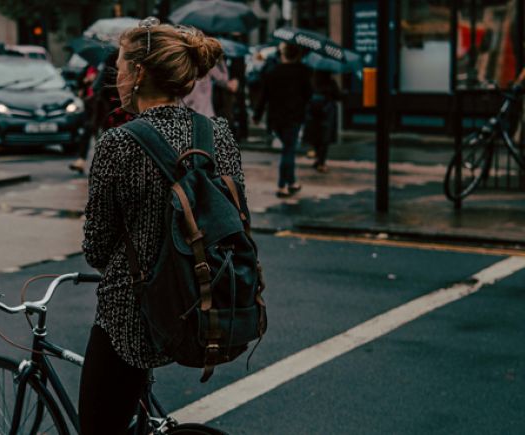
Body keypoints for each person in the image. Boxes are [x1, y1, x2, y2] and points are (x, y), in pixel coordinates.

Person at [80, 18, 245, 435]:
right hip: (202, 304)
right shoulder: (218, 134)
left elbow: (96, 249)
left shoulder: (118, 144)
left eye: (119, 66)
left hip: (132, 321)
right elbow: (236, 219)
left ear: (137, 74)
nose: (115, 77)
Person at [252, 42, 312, 198]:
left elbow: (264, 96)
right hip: (294, 116)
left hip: (276, 118)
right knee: (289, 150)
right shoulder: (303, 72)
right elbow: (308, 95)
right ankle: (282, 185)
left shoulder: (273, 72)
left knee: (288, 147)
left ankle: (291, 182)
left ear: (283, 54)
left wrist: (257, 116)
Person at [303, 70, 341, 173]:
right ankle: (321, 162)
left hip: (313, 112)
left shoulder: (312, 82)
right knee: (325, 138)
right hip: (327, 112)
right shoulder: (331, 83)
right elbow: (338, 96)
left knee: (316, 136)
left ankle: (318, 158)